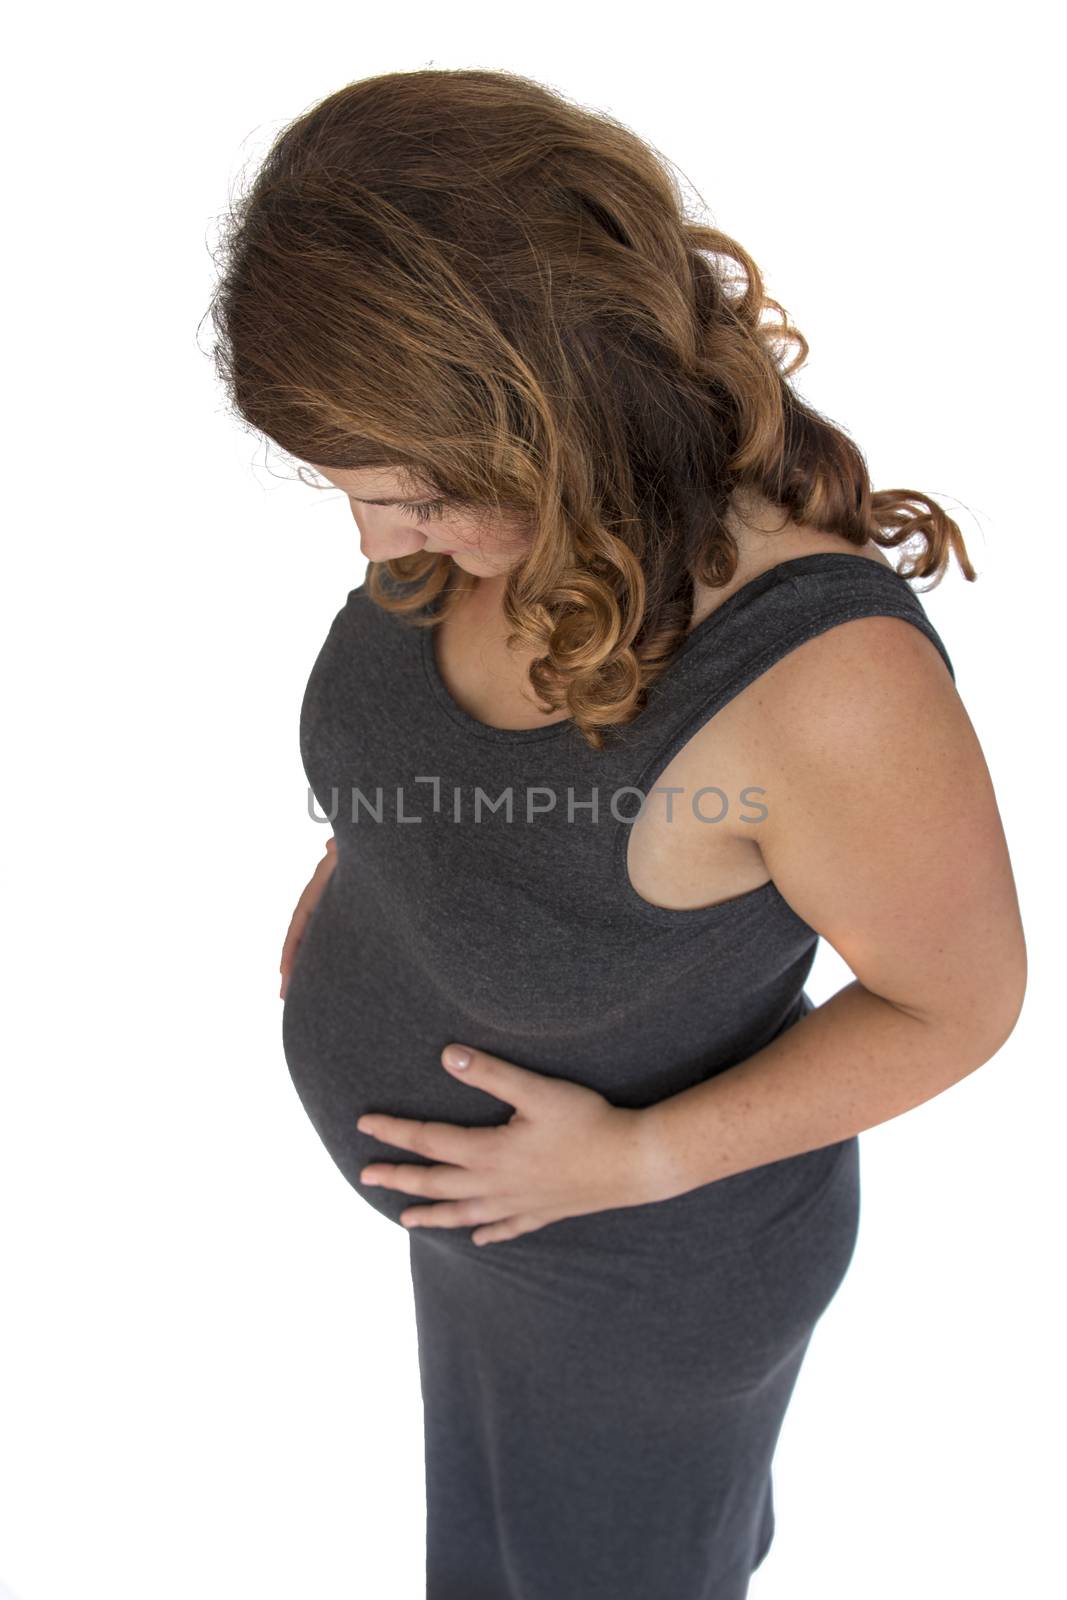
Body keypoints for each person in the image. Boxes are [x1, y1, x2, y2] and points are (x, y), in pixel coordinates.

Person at [209, 67, 1027, 1600]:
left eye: (412, 495)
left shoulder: (825, 685)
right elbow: (454, 758)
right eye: (355, 493)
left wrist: (638, 1160)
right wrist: (370, 871)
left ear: (548, 414)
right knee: (494, 1559)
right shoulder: (505, 511)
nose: (381, 543)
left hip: (644, 1283)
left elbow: (961, 1003)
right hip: (486, 1243)